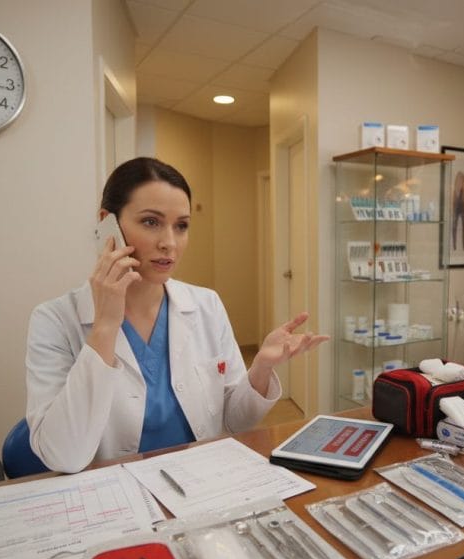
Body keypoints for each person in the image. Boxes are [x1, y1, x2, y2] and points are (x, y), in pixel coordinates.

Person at [25, 157, 329, 473]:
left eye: (181, 226)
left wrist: (262, 368)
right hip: (114, 497)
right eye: (151, 222)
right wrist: (104, 326)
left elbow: (233, 422)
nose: (169, 243)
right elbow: (64, 456)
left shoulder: (206, 305)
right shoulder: (55, 320)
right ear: (107, 224)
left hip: (200, 484)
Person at [451, 171, 464, 251]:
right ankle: (454, 246)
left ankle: (463, 246)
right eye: (461, 180)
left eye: (463, 180)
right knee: (454, 227)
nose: (462, 182)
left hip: (463, 209)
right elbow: (454, 201)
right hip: (457, 208)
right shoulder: (455, 192)